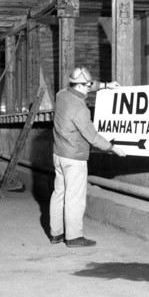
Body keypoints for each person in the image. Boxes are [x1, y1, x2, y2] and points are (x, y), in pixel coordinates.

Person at [49, 66, 126, 247]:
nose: (89, 88)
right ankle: (74, 237)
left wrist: (106, 85)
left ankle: (56, 234)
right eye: (87, 86)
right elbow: (92, 137)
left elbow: (87, 85)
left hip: (59, 154)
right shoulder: (80, 109)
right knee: (74, 197)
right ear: (82, 86)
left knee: (59, 193)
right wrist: (113, 148)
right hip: (74, 158)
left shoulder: (61, 95)